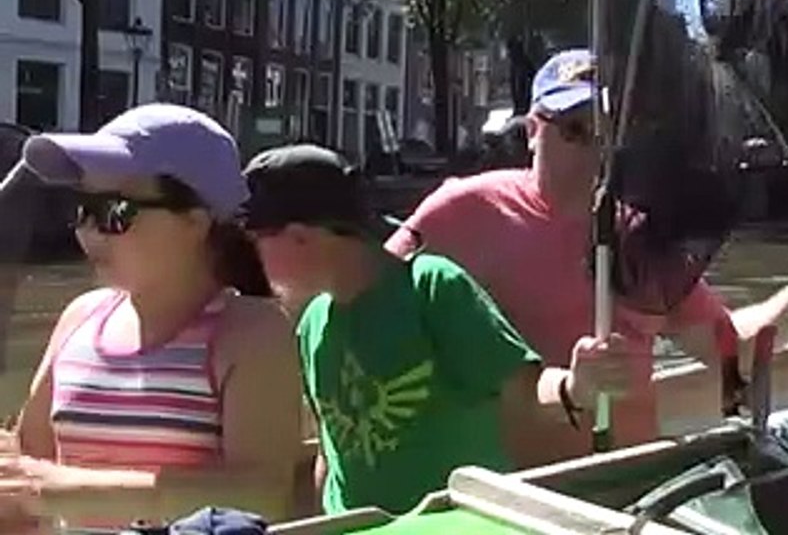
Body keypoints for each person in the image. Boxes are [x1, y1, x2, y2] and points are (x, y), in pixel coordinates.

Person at [384, 48, 788, 460]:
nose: (594, 150)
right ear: (533, 129)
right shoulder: (466, 211)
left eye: (607, 134)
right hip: (528, 499)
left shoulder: (641, 236)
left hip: (640, 485)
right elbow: (360, 299)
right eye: (574, 130)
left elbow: (730, 354)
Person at [239, 144, 634, 516]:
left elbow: (525, 394)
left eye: (254, 243)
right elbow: (331, 453)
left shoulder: (431, 288)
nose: (248, 261)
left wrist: (578, 387)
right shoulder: (312, 324)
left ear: (301, 238)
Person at [0, 104, 301, 530]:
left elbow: (262, 494)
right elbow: (27, 468)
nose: (87, 232)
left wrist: (56, 490)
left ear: (195, 222)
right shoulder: (80, 318)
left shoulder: (252, 332)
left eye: (114, 213)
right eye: (83, 209)